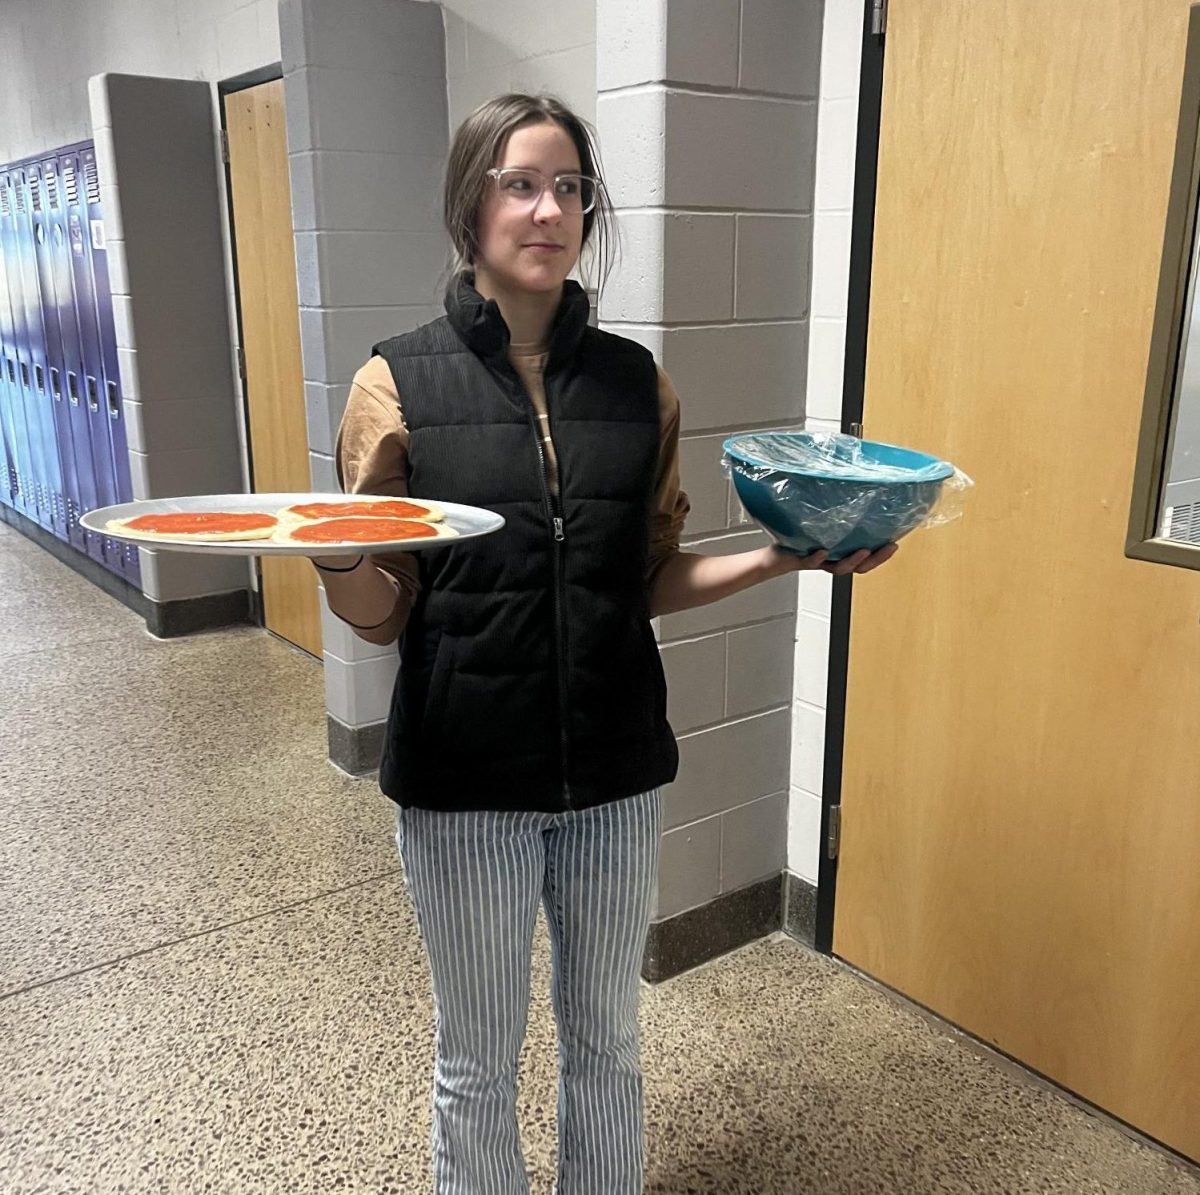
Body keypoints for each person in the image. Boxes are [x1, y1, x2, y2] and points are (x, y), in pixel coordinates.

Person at [314, 93, 896, 1195]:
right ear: (470, 202)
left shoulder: (639, 388)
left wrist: (788, 555)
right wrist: (334, 555)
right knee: (478, 1063)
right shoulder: (395, 384)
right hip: (464, 777)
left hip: (617, 778)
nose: (549, 209)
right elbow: (387, 611)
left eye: (570, 187)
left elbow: (644, 581)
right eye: (520, 183)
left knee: (610, 1046)